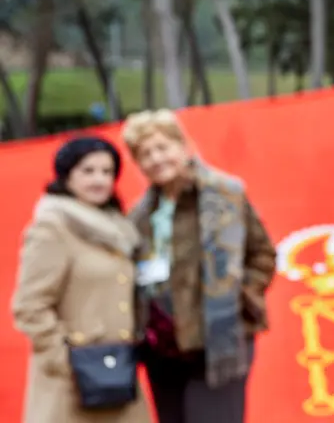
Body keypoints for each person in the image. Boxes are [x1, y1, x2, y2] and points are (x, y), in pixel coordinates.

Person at [121, 110, 277, 423]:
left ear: (182, 146)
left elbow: (262, 255)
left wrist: (238, 296)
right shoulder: (138, 215)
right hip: (162, 348)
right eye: (145, 154)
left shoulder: (224, 194)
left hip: (217, 338)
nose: (156, 159)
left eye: (162, 147)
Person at [12, 136, 150, 423]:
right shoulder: (52, 228)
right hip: (72, 384)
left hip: (119, 373)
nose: (99, 180)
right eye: (88, 171)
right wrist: (66, 361)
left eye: (107, 171)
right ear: (67, 176)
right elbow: (29, 307)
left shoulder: (120, 230)